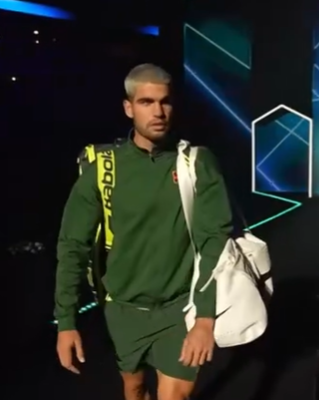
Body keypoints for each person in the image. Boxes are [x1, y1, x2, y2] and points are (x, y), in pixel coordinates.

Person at [53, 64, 233, 400]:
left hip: (180, 307)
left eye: (165, 102)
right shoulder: (103, 168)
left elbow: (214, 242)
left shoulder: (197, 163)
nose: (158, 112)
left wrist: (205, 319)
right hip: (123, 310)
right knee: (134, 388)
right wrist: (66, 322)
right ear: (128, 107)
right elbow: (72, 245)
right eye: (146, 102)